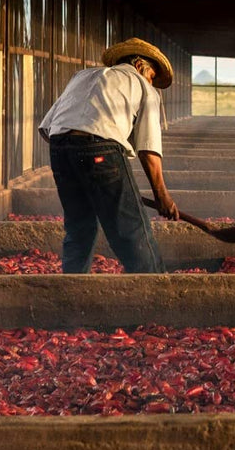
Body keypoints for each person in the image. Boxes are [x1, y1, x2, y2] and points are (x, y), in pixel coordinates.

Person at [38, 38, 178, 274]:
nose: (151, 81)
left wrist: (82, 172)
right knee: (133, 230)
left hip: (59, 150)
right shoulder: (144, 87)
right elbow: (148, 149)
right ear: (140, 65)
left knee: (78, 228)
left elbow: (48, 130)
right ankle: (156, 292)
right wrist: (162, 196)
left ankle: (71, 292)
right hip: (100, 150)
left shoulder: (82, 76)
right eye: (152, 75)